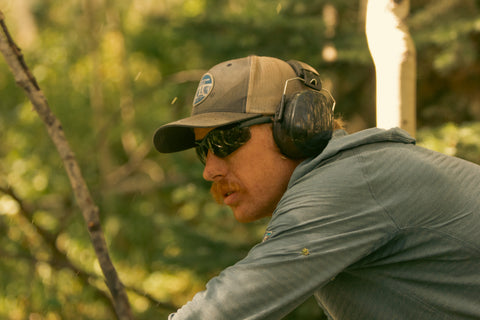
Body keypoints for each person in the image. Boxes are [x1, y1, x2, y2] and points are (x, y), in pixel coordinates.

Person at [153, 55, 480, 319]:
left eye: (225, 140)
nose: (210, 170)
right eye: (202, 150)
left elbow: (221, 311)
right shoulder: (350, 177)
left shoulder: (346, 184)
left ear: (296, 125)